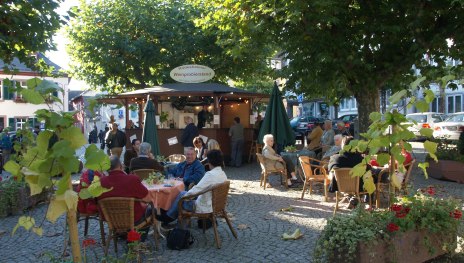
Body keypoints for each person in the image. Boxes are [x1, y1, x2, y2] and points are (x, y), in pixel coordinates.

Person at [160, 150, 227, 223]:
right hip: (216, 205)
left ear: (210, 161)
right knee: (182, 194)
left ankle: (168, 217)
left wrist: (185, 197)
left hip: (204, 207)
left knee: (181, 195)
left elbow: (197, 189)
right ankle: (168, 214)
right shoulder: (222, 173)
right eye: (187, 154)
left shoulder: (210, 174)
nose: (189, 156)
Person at [99, 156, 151, 237]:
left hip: (111, 219)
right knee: (152, 209)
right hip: (134, 218)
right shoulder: (132, 179)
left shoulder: (100, 182)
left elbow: (97, 202)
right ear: (120, 166)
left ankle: (123, 234)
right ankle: (138, 238)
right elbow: (146, 197)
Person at [327, 136, 364, 208]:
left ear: (343, 145)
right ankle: (356, 198)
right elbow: (367, 169)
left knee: (332, 174)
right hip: (358, 185)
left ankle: (350, 197)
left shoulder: (335, 158)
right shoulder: (360, 158)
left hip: (340, 185)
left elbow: (329, 169)